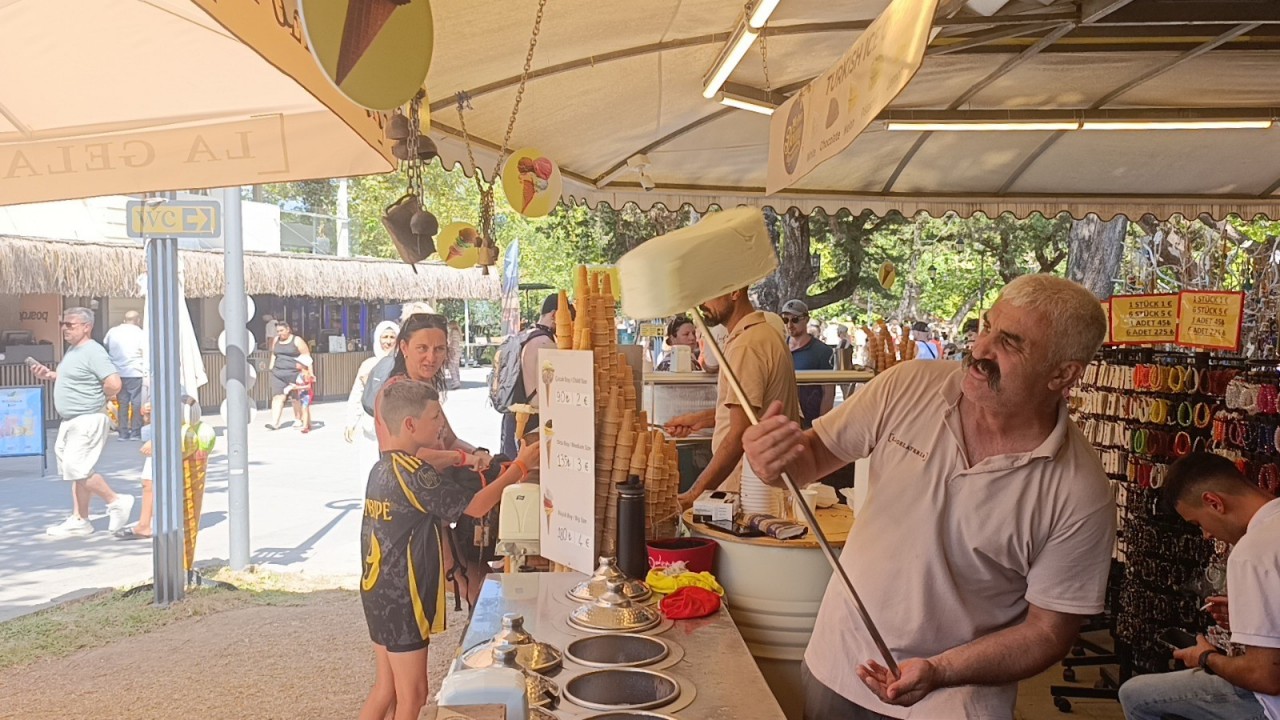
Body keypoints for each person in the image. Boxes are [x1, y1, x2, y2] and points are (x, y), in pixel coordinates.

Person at [742, 274, 1114, 719]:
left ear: (1063, 373)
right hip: (840, 666)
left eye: (1010, 343)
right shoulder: (909, 386)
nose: (980, 349)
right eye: (986, 326)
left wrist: (942, 670)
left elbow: (1048, 632)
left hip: (957, 702)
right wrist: (772, 460)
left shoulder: (1080, 492)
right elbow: (809, 460)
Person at [358, 379, 540, 720]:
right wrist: (519, 467)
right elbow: (476, 506)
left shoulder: (381, 469)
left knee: (386, 688)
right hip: (404, 597)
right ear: (410, 425)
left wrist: (462, 459)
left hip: (376, 589)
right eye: (434, 417)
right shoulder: (416, 475)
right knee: (414, 696)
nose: (441, 425)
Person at [1118, 452, 1280, 720]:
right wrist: (1252, 614)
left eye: (1198, 523)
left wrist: (1206, 658)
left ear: (1214, 502)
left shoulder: (1252, 553)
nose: (1206, 535)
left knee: (1136, 697)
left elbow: (1266, 678)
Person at [368, 311, 497, 608]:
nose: (431, 357)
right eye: (422, 348)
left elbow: (449, 438)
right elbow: (408, 457)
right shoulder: (395, 393)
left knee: (473, 576)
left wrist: (481, 456)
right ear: (403, 347)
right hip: (414, 512)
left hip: (438, 503)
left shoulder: (424, 390)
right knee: (459, 579)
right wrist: (462, 458)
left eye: (439, 349)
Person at [667, 288, 801, 509]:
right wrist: (700, 420)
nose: (702, 303)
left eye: (709, 292)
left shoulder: (747, 345)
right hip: (763, 485)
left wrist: (695, 494)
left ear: (735, 292)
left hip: (750, 491)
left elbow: (740, 432)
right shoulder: (763, 333)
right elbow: (749, 410)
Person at [30, 307, 135, 537]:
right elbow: (76, 378)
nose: (64, 328)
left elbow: (114, 383)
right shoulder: (74, 350)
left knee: (76, 467)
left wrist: (95, 398)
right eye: (63, 324)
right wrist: (50, 375)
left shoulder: (93, 351)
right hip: (73, 419)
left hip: (87, 418)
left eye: (70, 324)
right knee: (77, 470)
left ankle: (116, 500)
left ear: (87, 327)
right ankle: (80, 518)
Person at [498, 294, 565, 459]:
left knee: (509, 468)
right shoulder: (546, 344)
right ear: (555, 315)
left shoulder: (524, 335)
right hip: (531, 422)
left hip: (511, 416)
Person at [346, 320, 401, 483]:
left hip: (395, 428)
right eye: (385, 337)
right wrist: (351, 422)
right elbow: (357, 394)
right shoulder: (368, 365)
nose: (388, 341)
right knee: (369, 469)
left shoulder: (401, 365)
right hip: (370, 428)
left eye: (392, 337)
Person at [781, 299, 835, 428]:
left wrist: (821, 427)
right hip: (783, 420)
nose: (790, 325)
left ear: (806, 319)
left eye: (795, 320)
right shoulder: (779, 347)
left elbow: (828, 393)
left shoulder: (822, 351)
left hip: (809, 422)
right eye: (785, 320)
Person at [102, 310, 145, 440]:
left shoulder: (113, 332)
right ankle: (135, 432)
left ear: (124, 319)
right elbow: (145, 351)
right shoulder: (140, 333)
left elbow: (106, 344)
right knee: (136, 403)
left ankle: (123, 432)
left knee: (122, 403)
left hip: (117, 372)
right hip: (136, 371)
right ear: (138, 320)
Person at [266, 320, 309, 430]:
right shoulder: (276, 340)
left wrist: (307, 372)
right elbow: (274, 354)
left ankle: (298, 419)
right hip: (278, 373)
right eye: (278, 331)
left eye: (281, 331)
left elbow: (306, 356)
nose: (279, 333)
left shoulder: (297, 340)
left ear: (288, 329)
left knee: (295, 398)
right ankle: (275, 422)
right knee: (277, 397)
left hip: (294, 373)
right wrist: (271, 366)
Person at [284, 355, 316, 434]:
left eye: (298, 363)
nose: (296, 364)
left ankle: (305, 426)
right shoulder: (301, 373)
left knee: (304, 409)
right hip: (302, 394)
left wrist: (296, 387)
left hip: (306, 394)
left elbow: (308, 386)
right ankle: (308, 424)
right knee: (305, 409)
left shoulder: (305, 374)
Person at [447, 320, 463, 391]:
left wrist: (451, 350)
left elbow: (453, 342)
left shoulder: (453, 332)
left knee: (451, 366)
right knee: (456, 366)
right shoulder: (458, 332)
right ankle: (457, 380)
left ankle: (455, 381)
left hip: (454, 350)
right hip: (458, 350)